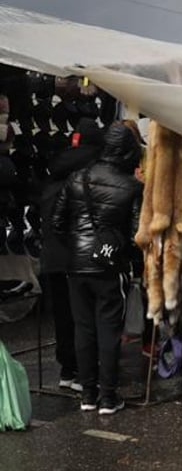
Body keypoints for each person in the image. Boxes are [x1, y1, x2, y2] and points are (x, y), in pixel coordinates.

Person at [50, 122, 142, 414]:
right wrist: (119, 251)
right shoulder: (132, 187)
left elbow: (57, 222)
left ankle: (88, 394)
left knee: (84, 329)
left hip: (76, 265)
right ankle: (108, 396)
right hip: (109, 266)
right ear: (128, 152)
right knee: (108, 329)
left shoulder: (78, 178)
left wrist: (78, 245)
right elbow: (137, 234)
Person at [38, 119, 104, 390]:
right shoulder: (82, 182)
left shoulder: (53, 179)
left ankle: (68, 369)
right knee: (82, 316)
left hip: (52, 258)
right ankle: (78, 370)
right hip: (73, 259)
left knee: (63, 316)